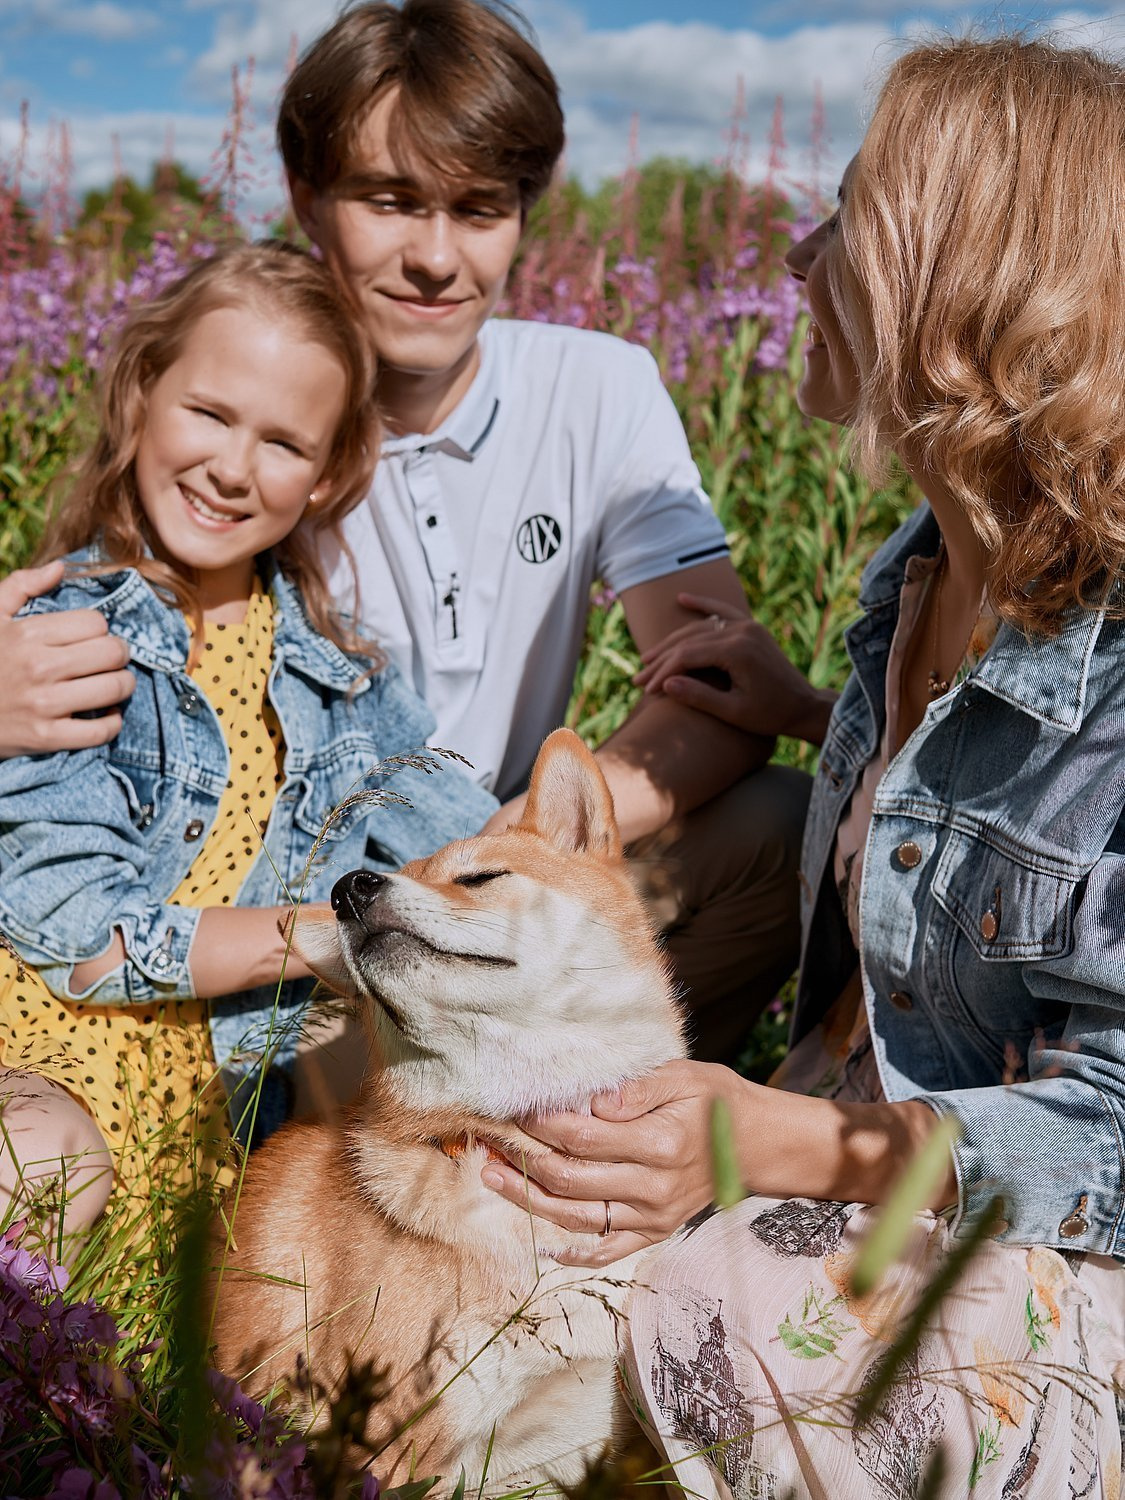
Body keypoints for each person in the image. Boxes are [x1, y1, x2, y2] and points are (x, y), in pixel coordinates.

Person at [478, 35, 1125, 1495]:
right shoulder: (921, 578)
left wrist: (784, 1143)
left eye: (847, 219)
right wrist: (811, 710)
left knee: (737, 1315)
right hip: (852, 1111)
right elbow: (982, 823)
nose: (794, 249)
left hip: (1049, 1228)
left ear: (964, 285)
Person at [0, 0, 810, 1066]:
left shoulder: (601, 387)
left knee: (775, 827)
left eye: (481, 210)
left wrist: (499, 857)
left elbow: (717, 699)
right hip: (302, 931)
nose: (437, 257)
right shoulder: (258, 436)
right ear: (306, 196)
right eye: (391, 200)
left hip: (485, 870)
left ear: (526, 215)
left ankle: (616, 1131)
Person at [0, 242, 495, 1249]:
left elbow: (461, 842)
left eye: (282, 443)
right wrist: (323, 932)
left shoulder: (341, 680)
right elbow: (84, 947)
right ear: (142, 393)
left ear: (328, 473)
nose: (233, 467)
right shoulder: (67, 642)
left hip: (224, 1087)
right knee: (40, 1169)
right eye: (210, 414)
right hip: (46, 1047)